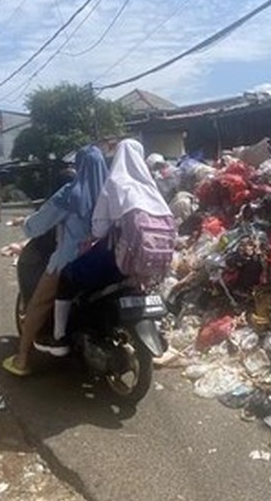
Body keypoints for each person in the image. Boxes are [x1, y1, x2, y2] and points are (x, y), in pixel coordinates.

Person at [36, 139, 175, 356]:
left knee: (67, 277)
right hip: (149, 265)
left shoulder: (116, 183)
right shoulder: (151, 188)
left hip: (117, 261)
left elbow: (99, 228)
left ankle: (59, 337)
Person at [2, 146, 106, 376]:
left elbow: (39, 224)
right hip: (103, 261)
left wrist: (25, 224)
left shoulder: (71, 193)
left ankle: (21, 360)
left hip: (68, 261)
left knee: (37, 306)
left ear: (78, 166)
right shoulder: (111, 192)